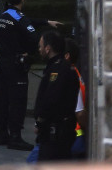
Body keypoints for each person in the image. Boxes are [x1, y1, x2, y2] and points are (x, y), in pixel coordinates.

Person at [0, 0, 61, 150]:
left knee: (3, 99)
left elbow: (25, 21)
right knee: (17, 101)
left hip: (2, 62)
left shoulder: (4, 15)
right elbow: (33, 36)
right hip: (16, 65)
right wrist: (31, 50)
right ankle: (15, 137)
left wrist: (45, 21)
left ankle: (2, 134)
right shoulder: (19, 18)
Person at [33, 30, 79, 161]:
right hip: (57, 131)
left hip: (56, 132)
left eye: (40, 46)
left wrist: (40, 121)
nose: (39, 49)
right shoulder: (57, 67)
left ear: (48, 49)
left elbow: (50, 99)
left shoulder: (58, 70)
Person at [65, 37, 86, 159]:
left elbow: (79, 113)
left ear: (67, 56)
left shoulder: (71, 77)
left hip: (74, 136)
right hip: (77, 136)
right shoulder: (76, 74)